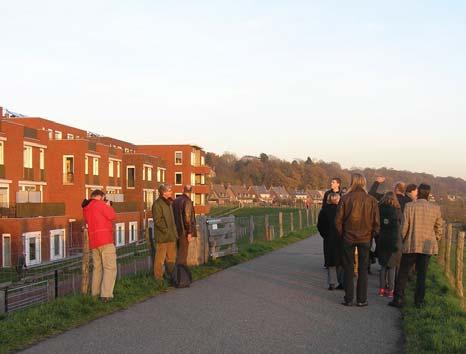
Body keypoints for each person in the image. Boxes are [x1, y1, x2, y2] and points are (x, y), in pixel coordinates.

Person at [389, 184, 443, 308]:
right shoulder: (436, 208)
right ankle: (419, 302)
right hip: (427, 246)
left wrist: (402, 240)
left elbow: (404, 227)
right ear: (428, 194)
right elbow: (439, 227)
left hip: (411, 244)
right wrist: (435, 239)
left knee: (403, 272)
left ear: (418, 192)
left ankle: (398, 299)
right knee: (422, 275)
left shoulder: (409, 206)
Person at [336, 173, 380, 307]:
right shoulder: (371, 200)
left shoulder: (344, 198)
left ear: (352, 182)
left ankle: (348, 299)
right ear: (364, 182)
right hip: (365, 238)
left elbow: (337, 221)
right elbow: (376, 223)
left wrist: (342, 235)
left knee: (348, 268)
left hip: (348, 237)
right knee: (363, 269)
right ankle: (361, 299)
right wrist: (372, 236)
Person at [82, 190, 117, 301]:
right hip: (105, 240)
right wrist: (108, 206)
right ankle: (106, 295)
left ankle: (95, 293)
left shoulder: (86, 208)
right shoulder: (101, 205)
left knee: (97, 268)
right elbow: (112, 216)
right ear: (100, 196)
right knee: (110, 267)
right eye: (104, 197)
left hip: (94, 241)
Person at [377, 192, 403, 298]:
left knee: (383, 266)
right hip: (394, 239)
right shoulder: (397, 210)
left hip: (382, 238)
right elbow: (400, 226)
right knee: (392, 266)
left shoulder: (379, 208)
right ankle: (391, 290)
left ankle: (381, 289)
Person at [152, 184, 179, 280]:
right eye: (169, 190)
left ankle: (172, 277)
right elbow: (157, 220)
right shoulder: (157, 204)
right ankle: (158, 279)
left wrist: (173, 232)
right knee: (160, 260)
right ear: (163, 192)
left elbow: (172, 220)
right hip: (163, 237)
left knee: (171, 259)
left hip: (171, 236)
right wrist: (166, 230)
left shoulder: (169, 203)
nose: (171, 192)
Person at [317, 193, 343, 290]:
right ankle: (341, 282)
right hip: (340, 238)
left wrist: (325, 235)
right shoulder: (341, 210)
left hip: (328, 239)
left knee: (330, 261)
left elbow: (320, 225)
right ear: (338, 200)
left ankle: (332, 283)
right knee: (340, 261)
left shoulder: (324, 210)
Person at [172, 185, 197, 266]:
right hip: (184, 232)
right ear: (191, 192)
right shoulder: (187, 201)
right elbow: (187, 218)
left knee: (178, 252)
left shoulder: (175, 201)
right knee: (183, 254)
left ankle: (178, 272)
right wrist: (189, 232)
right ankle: (180, 274)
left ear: (183, 190)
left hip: (176, 231)